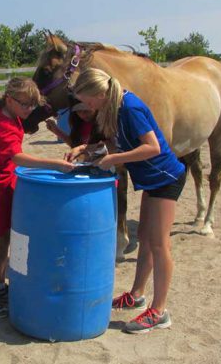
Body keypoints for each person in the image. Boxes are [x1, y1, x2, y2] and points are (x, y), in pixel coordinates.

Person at [67, 68, 186, 334]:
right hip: (152, 180)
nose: (88, 106)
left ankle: (159, 312)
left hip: (166, 178)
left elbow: (152, 147)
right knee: (144, 237)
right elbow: (116, 142)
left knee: (159, 244)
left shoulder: (130, 107)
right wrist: (85, 148)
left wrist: (114, 159)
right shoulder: (114, 107)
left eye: (88, 101)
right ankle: (137, 294)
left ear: (99, 93)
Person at [0, 77, 75, 318]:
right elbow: (17, 157)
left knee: (4, 240)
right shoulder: (2, 124)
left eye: (33, 105)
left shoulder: (10, 113)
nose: (30, 109)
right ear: (10, 100)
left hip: (5, 183)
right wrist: (54, 164)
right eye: (25, 104)